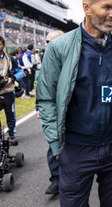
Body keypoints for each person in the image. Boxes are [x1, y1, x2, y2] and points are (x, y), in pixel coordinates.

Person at [36, 0, 112, 207]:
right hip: (75, 149)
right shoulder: (59, 47)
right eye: (107, 7)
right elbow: (46, 99)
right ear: (86, 8)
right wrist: (56, 144)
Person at [36, 30, 64, 195]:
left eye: (51, 42)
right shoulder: (45, 61)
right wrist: (38, 107)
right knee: (53, 143)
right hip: (53, 109)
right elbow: (41, 86)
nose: (48, 45)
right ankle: (56, 179)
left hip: (73, 111)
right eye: (46, 42)